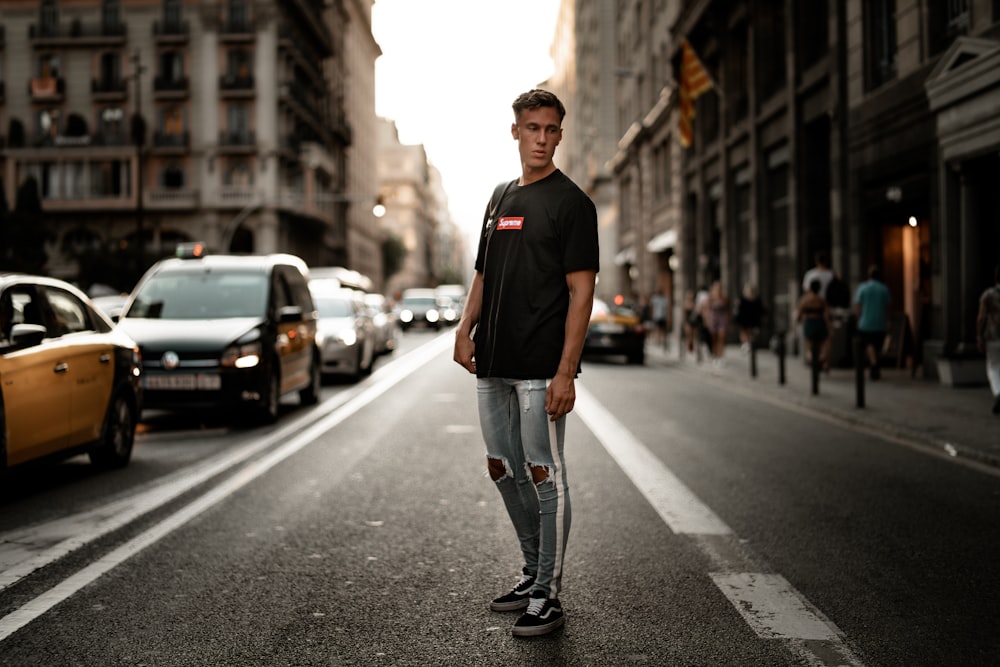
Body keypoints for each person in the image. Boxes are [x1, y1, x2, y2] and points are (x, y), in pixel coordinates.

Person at [453, 89, 599, 638]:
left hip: (541, 365)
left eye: (551, 129)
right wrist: (465, 328)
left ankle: (549, 593)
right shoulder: (498, 197)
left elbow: (581, 294)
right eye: (532, 128)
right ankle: (533, 571)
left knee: (544, 473)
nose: (541, 138)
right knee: (502, 467)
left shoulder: (572, 203)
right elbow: (485, 274)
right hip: (493, 359)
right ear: (515, 131)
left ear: (560, 134)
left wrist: (566, 372)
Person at [854, 265, 891, 380]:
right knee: (877, 345)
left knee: (868, 343)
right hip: (880, 322)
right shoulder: (884, 288)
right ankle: (875, 362)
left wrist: (858, 318)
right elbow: (888, 307)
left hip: (866, 322)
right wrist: (888, 320)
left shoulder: (863, 288)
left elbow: (858, 305)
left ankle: (873, 362)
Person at [976, 264, 1000, 414]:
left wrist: (979, 336)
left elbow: (981, 317)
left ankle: (998, 392)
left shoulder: (988, 295)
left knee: (993, 366)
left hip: (993, 336)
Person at [796, 278, 832, 370]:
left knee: (808, 345)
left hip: (809, 322)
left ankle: (811, 358)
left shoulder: (804, 300)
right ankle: (821, 358)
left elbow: (799, 315)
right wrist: (829, 327)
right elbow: (827, 315)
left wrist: (799, 320)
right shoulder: (821, 300)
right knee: (822, 343)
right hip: (820, 322)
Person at [702, 280, 729, 361]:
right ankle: (715, 354)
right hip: (713, 319)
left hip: (722, 319)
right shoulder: (710, 298)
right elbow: (706, 309)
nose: (718, 289)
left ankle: (721, 355)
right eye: (716, 287)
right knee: (714, 339)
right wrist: (706, 320)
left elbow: (728, 309)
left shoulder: (724, 297)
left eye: (719, 288)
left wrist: (728, 320)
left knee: (721, 337)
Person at [733, 283, 764, 353]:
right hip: (746, 319)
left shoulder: (755, 299)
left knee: (747, 332)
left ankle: (747, 344)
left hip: (750, 319)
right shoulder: (743, 298)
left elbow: (760, 309)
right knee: (744, 332)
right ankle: (747, 344)